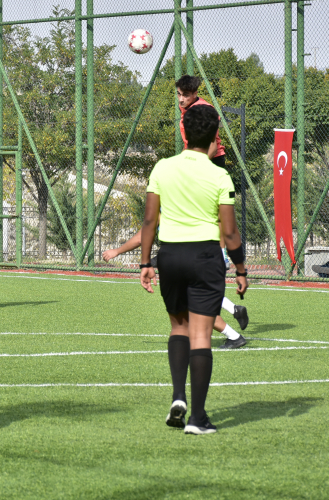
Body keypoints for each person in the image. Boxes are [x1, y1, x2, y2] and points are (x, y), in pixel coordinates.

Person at [141, 105, 248, 435]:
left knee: (178, 328)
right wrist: (241, 269)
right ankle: (198, 419)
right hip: (204, 256)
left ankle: (178, 397)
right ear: (215, 137)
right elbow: (230, 232)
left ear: (185, 134)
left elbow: (149, 220)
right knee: (201, 335)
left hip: (170, 255)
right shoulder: (219, 176)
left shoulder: (162, 167)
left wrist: (145, 263)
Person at [102, 227, 249, 349]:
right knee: (202, 298)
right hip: (204, 256)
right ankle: (233, 312)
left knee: (195, 308)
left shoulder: (165, 206)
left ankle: (233, 335)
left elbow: (143, 236)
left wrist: (118, 251)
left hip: (187, 258)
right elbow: (225, 225)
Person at [176, 75, 227, 169]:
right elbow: (187, 144)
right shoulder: (185, 107)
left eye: (186, 95)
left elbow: (213, 148)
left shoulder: (204, 111)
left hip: (212, 161)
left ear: (195, 94)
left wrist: (195, 168)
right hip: (195, 160)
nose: (181, 99)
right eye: (179, 94)